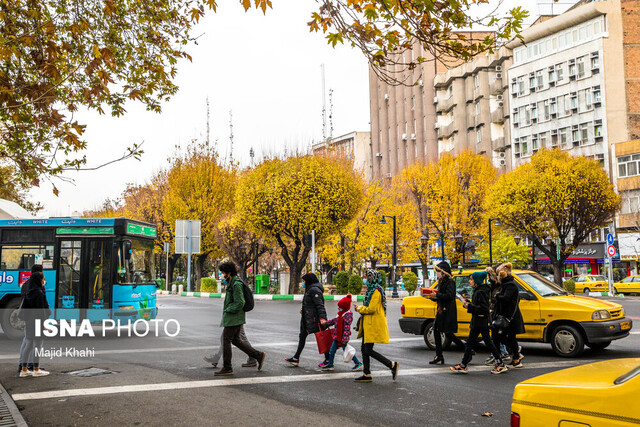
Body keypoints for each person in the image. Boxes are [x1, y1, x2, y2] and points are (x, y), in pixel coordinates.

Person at [214, 262, 265, 376]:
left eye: (223, 273)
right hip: (235, 318)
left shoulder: (236, 284)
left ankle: (227, 367)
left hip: (234, 318)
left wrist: (228, 309)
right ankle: (257, 355)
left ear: (229, 273)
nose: (222, 275)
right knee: (236, 340)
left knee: (226, 340)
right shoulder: (232, 282)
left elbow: (240, 302)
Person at [450, 271, 506, 374]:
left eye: (471, 279)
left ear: (477, 281)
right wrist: (468, 303)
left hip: (480, 321)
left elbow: (483, 308)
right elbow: (479, 306)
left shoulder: (480, 291)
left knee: (484, 343)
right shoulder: (480, 290)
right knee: (473, 343)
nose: (469, 281)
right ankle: (463, 365)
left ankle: (500, 363)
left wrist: (469, 306)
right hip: (479, 321)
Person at [353, 269, 398, 383]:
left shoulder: (376, 291)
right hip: (368, 323)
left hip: (373, 323)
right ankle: (366, 373)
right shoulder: (371, 289)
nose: (365, 279)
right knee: (364, 349)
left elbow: (371, 309)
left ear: (372, 278)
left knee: (367, 350)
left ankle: (391, 365)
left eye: (367, 277)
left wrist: (359, 308)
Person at [285, 273, 329, 367]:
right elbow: (310, 303)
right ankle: (296, 358)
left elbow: (320, 305)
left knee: (321, 338)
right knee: (302, 336)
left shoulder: (315, 290)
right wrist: (304, 310)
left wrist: (322, 318)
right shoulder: (309, 289)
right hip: (307, 318)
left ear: (308, 281)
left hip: (315, 319)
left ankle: (328, 359)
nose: (303, 283)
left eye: (304, 281)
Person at [427, 261, 465, 365]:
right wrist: (433, 297)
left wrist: (437, 296)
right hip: (441, 310)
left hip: (447, 310)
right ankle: (439, 355)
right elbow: (441, 296)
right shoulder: (441, 281)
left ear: (443, 272)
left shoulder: (450, 281)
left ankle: (466, 349)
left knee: (448, 333)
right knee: (436, 330)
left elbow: (450, 296)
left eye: (438, 271)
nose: (437, 274)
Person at [492, 262, 525, 370]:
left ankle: (516, 355)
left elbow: (506, 298)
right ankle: (516, 356)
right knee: (508, 337)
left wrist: (497, 296)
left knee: (503, 337)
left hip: (510, 317)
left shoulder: (510, 285)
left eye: (498, 274)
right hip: (508, 316)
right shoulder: (507, 284)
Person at [19, 270, 50, 377]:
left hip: (28, 323)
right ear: (39, 280)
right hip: (37, 324)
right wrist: (44, 325)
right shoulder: (39, 293)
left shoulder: (29, 292)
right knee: (37, 347)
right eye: (43, 279)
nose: (44, 281)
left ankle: (24, 370)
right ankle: (36, 370)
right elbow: (41, 312)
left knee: (28, 345)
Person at [321, 294, 363, 372]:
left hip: (342, 337)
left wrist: (344, 339)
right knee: (332, 350)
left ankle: (358, 363)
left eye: (340, 307)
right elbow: (334, 321)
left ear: (344, 307)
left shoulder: (347, 316)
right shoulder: (340, 314)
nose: (338, 309)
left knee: (347, 351)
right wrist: (326, 323)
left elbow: (346, 329)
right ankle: (330, 365)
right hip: (337, 336)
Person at [484, 266, 510, 365]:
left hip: (497, 312)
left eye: (489, 276)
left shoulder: (498, 286)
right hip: (495, 311)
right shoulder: (494, 285)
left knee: (495, 334)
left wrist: (492, 308)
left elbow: (496, 298)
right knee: (497, 334)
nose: (488, 278)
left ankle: (499, 354)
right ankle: (503, 352)